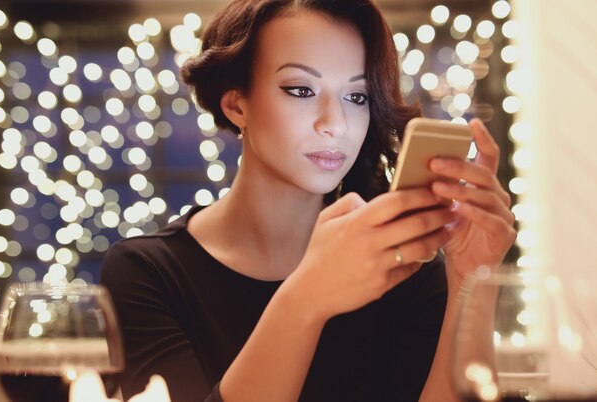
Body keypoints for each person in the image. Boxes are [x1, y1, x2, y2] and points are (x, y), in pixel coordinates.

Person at [100, 0, 516, 401]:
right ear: (236, 104)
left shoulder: (406, 271)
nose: (334, 124)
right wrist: (305, 299)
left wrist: (470, 280)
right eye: (300, 89)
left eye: (357, 97)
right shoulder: (147, 274)